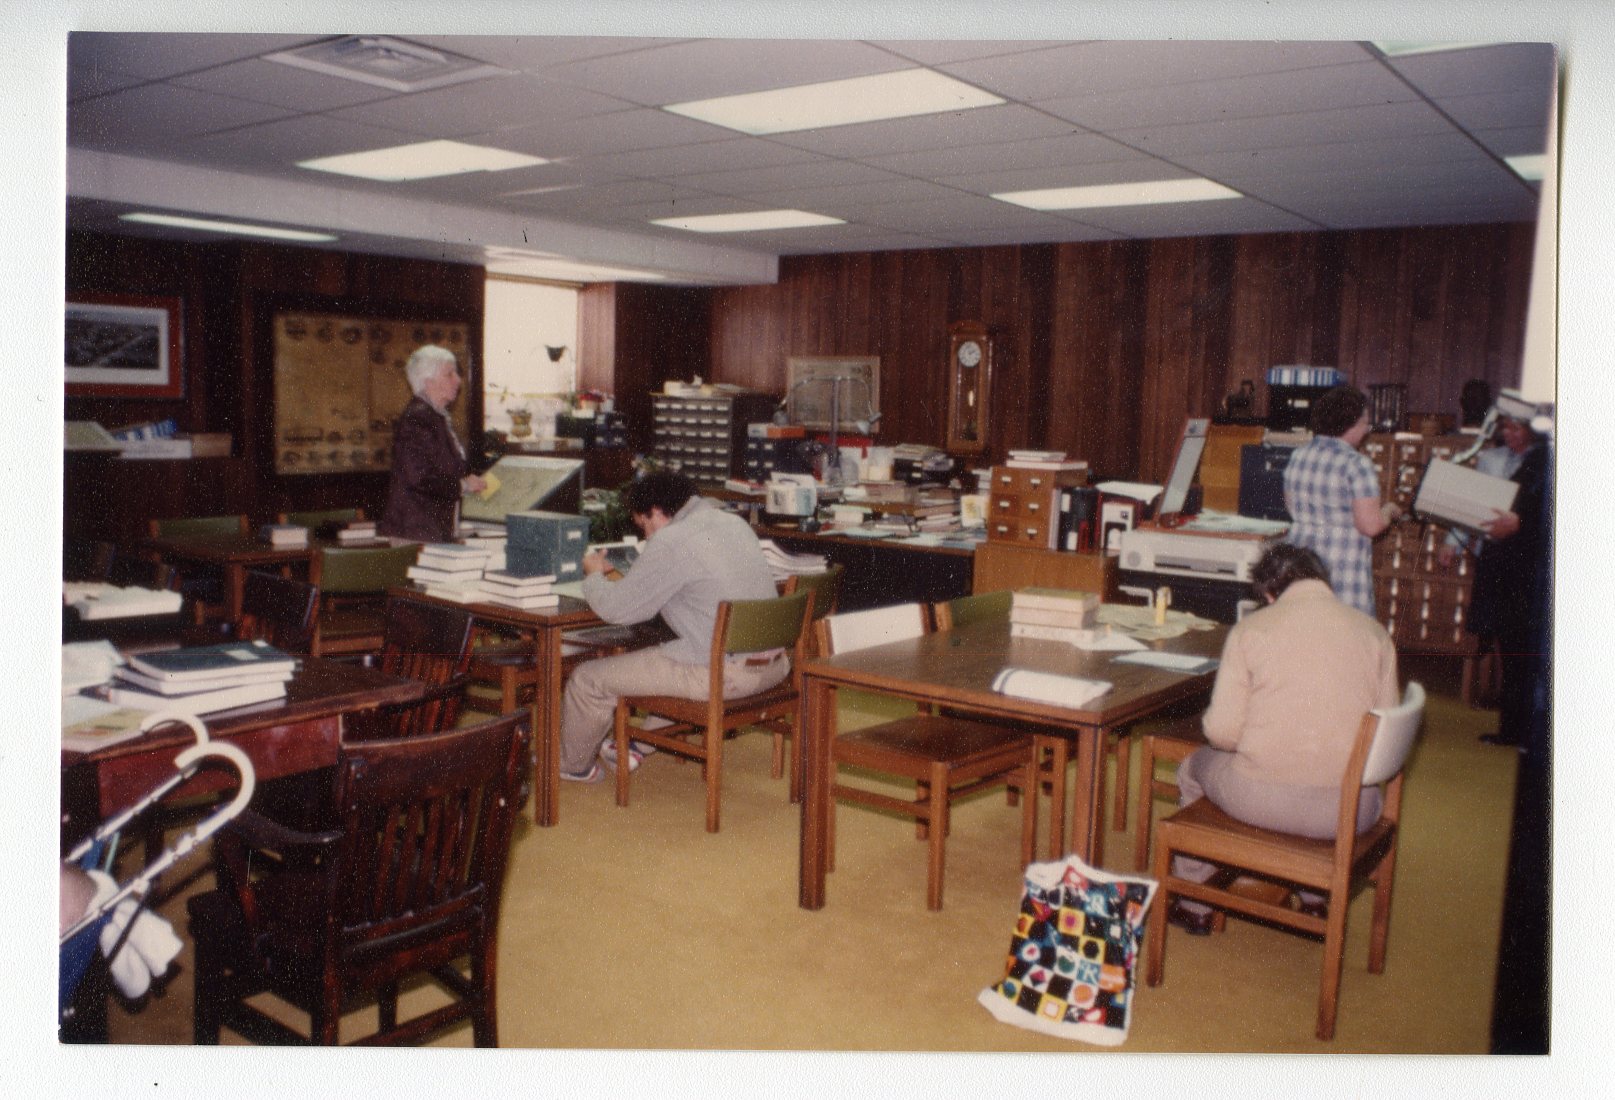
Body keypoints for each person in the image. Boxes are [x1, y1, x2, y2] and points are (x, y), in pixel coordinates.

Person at [1167, 544, 1400, 935]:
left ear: (1269, 593)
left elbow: (1221, 733)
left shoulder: (1251, 630)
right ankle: (1313, 897)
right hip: (1351, 812)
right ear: (1321, 580)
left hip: (1260, 802)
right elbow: (1386, 743)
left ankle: (1194, 899)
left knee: (1192, 768)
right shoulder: (1376, 635)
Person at [558, 470, 787, 783]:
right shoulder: (733, 522)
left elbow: (615, 610)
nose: (648, 536)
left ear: (654, 511)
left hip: (727, 676)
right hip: (773, 667)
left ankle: (573, 767)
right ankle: (637, 745)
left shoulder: (672, 540)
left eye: (644, 526)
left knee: (587, 679)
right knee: (669, 656)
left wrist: (594, 575)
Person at [1438, 412, 1549, 748]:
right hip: (1498, 562)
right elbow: (1473, 506)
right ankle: (1511, 728)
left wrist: (1521, 524)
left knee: (1529, 647)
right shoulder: (1491, 459)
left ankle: (1530, 732)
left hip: (1530, 564)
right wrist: (1450, 542)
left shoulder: (1545, 461)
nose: (1511, 434)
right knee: (1507, 643)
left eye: (1518, 428)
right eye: (1506, 428)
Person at [1282, 384, 1401, 616]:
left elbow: (1292, 507)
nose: (1367, 429)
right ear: (1351, 423)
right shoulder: (1357, 464)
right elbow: (1371, 525)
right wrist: (1388, 511)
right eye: (1365, 422)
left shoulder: (1298, 455)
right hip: (1341, 565)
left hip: (1301, 562)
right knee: (1343, 634)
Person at [377, 345, 486, 543]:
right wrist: (462, 485)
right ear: (428, 382)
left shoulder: (435, 417)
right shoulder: (417, 419)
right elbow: (418, 477)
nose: (458, 380)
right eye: (449, 374)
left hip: (429, 529)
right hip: (413, 533)